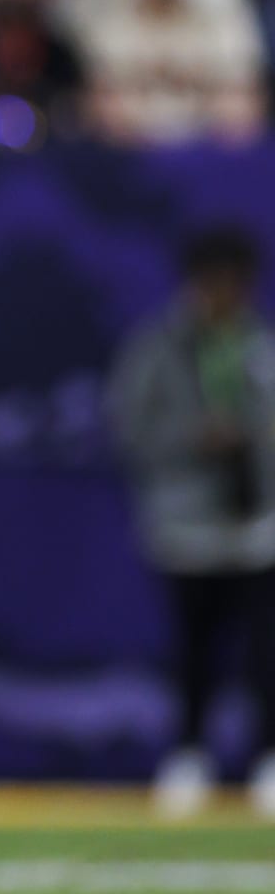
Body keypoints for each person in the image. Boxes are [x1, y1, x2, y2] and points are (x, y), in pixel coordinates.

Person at [109, 227, 275, 819]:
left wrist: (252, 440)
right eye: (215, 283)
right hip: (186, 528)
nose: (225, 295)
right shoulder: (160, 346)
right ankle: (189, 756)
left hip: (259, 526)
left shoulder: (260, 343)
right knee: (194, 653)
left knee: (265, 654)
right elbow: (130, 429)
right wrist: (194, 439)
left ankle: (266, 761)